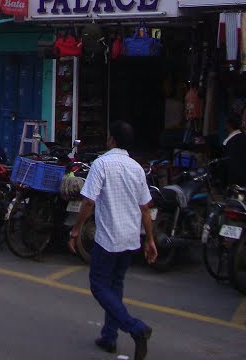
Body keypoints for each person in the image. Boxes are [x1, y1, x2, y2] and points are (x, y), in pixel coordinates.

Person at [70, 121, 156, 360]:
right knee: (115, 286)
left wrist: (76, 230)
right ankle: (109, 337)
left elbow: (88, 201)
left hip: (108, 238)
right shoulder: (137, 168)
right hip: (130, 238)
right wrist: (150, 240)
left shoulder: (102, 164)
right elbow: (146, 209)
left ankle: (135, 327)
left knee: (99, 286)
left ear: (112, 141)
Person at [221, 111, 246, 191]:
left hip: (234, 184)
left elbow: (230, 165)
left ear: (229, 124)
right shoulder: (245, 138)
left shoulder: (229, 142)